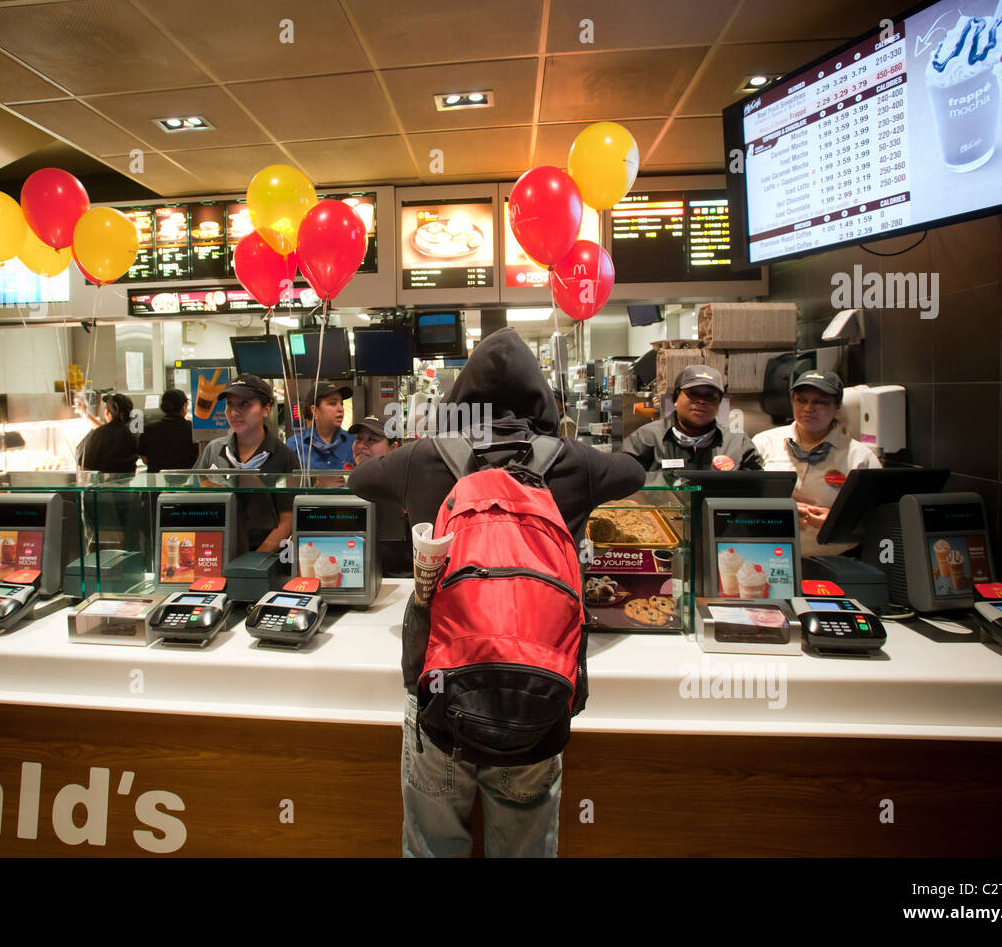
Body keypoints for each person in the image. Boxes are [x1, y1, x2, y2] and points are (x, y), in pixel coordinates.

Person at [349, 328, 645, 858]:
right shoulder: (573, 461)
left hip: (438, 692)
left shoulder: (422, 458)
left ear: (457, 400)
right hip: (538, 694)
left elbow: (359, 480)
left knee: (432, 849)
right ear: (541, 399)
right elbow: (635, 471)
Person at [752, 371, 881, 556]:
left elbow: (877, 518)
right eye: (801, 400)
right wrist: (780, 509)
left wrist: (836, 522)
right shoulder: (764, 443)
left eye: (820, 401)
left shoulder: (860, 457)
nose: (808, 408)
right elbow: (742, 499)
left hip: (834, 561)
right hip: (769, 556)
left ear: (837, 405)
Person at [193, 374, 300, 554]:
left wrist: (256, 559)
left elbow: (288, 518)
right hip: (214, 552)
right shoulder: (214, 450)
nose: (234, 413)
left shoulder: (283, 456)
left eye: (244, 404)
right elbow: (195, 497)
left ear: (266, 409)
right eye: (230, 404)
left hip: (265, 557)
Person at [622, 365, 763, 472]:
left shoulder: (738, 444)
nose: (701, 401)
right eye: (693, 393)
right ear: (676, 398)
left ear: (719, 403)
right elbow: (621, 485)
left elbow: (756, 492)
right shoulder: (646, 438)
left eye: (710, 396)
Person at [347, 415, 409, 577]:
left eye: (372, 440)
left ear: (394, 448)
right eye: (359, 439)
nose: (362, 445)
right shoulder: (348, 483)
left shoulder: (405, 486)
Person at [290, 381, 356, 470]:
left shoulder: (353, 442)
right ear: (314, 410)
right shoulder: (295, 445)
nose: (340, 409)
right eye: (333, 403)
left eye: (341, 404)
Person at [76, 393, 138, 473]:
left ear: (106, 412)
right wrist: (85, 414)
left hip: (105, 484)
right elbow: (110, 432)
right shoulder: (132, 434)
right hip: (126, 483)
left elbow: (83, 469)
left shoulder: (100, 434)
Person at [138, 389, 196, 472]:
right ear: (184, 406)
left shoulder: (148, 429)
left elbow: (144, 459)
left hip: (157, 478)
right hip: (187, 479)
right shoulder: (193, 430)